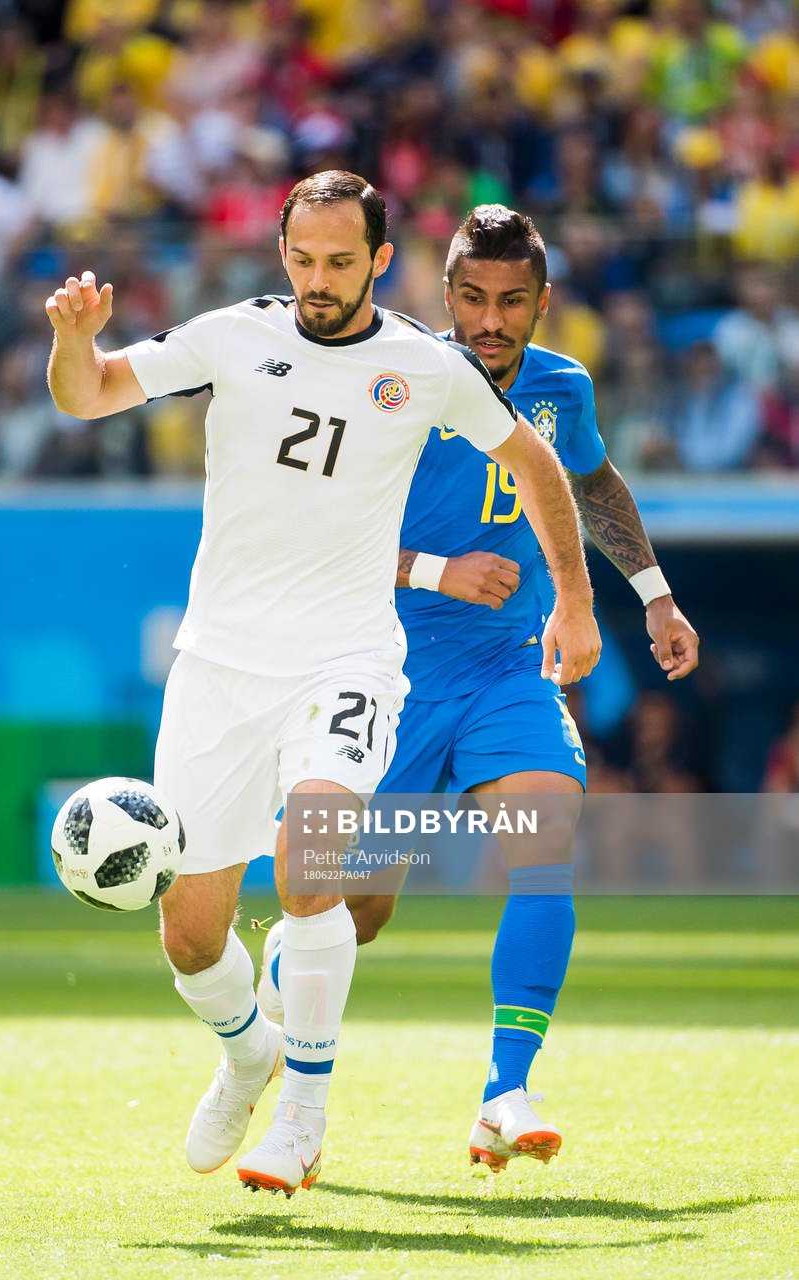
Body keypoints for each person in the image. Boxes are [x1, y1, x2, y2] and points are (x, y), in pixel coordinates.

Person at [45, 174, 600, 1196]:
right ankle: (248, 1050)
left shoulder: (421, 367)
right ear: (284, 252)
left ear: (381, 260)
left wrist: (575, 597)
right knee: (191, 934)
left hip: (346, 660)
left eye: (341, 262)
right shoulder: (227, 336)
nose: (318, 280)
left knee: (312, 868)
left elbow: (535, 464)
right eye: (302, 259)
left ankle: (302, 1112)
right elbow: (87, 394)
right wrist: (74, 337)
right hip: (219, 666)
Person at [257, 203, 699, 1174]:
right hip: (386, 672)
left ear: (543, 303)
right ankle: (273, 1019)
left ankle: (506, 1087)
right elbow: (310, 531)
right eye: (471, 298)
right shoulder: (390, 381)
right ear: (443, 295)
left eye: (511, 302)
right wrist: (433, 569)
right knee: (353, 912)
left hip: (507, 667)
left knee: (545, 845)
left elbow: (594, 485)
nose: (490, 321)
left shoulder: (559, 387)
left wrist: (654, 597)